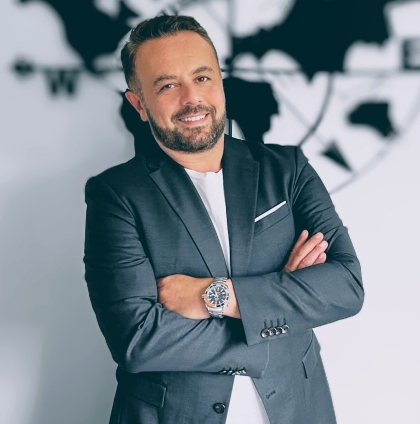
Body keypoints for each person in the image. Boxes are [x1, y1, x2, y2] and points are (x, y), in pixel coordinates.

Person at [83, 15, 364, 424]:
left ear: (220, 81)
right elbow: (138, 341)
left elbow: (346, 286)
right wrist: (278, 307)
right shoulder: (116, 195)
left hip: (296, 408)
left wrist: (214, 296)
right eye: (167, 85)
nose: (191, 98)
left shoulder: (287, 169)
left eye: (202, 77)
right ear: (139, 104)